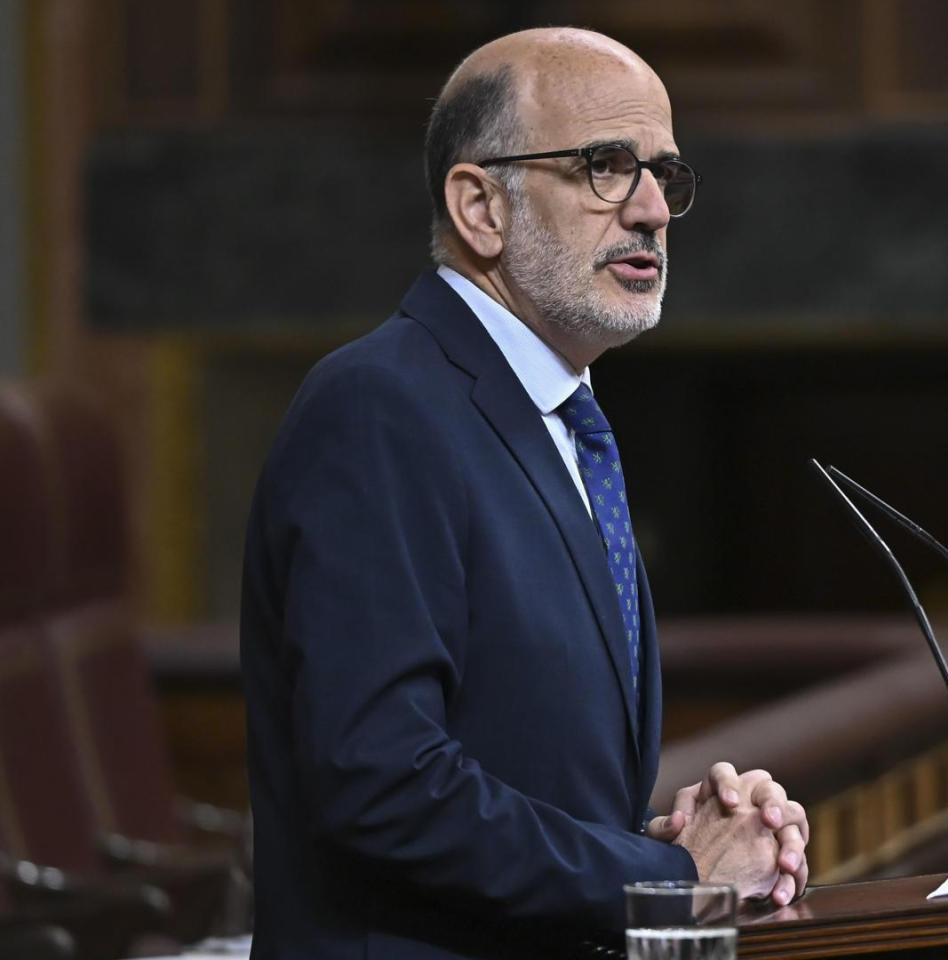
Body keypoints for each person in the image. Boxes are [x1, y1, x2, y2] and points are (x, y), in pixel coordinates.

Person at [240, 28, 808, 960]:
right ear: (480, 207)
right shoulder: (379, 407)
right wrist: (675, 881)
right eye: (605, 166)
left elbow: (530, 771)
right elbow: (379, 782)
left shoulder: (564, 422)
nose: (655, 210)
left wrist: (696, 861)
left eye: (665, 173)